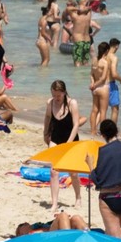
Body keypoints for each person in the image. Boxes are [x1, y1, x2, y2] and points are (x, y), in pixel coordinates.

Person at [86, 119, 121, 236]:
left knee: (115, 237)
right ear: (116, 131)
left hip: (109, 198)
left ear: (102, 135)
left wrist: (90, 165)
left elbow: (99, 181)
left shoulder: (104, 151)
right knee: (113, 232)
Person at [42, 79, 82, 210]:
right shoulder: (50, 103)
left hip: (71, 139)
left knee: (73, 173)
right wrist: (45, 133)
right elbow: (48, 117)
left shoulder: (72, 103)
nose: (56, 98)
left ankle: (78, 198)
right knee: (53, 171)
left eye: (58, 95)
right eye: (54, 95)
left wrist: (68, 144)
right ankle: (54, 203)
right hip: (56, 138)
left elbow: (76, 124)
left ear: (64, 92)